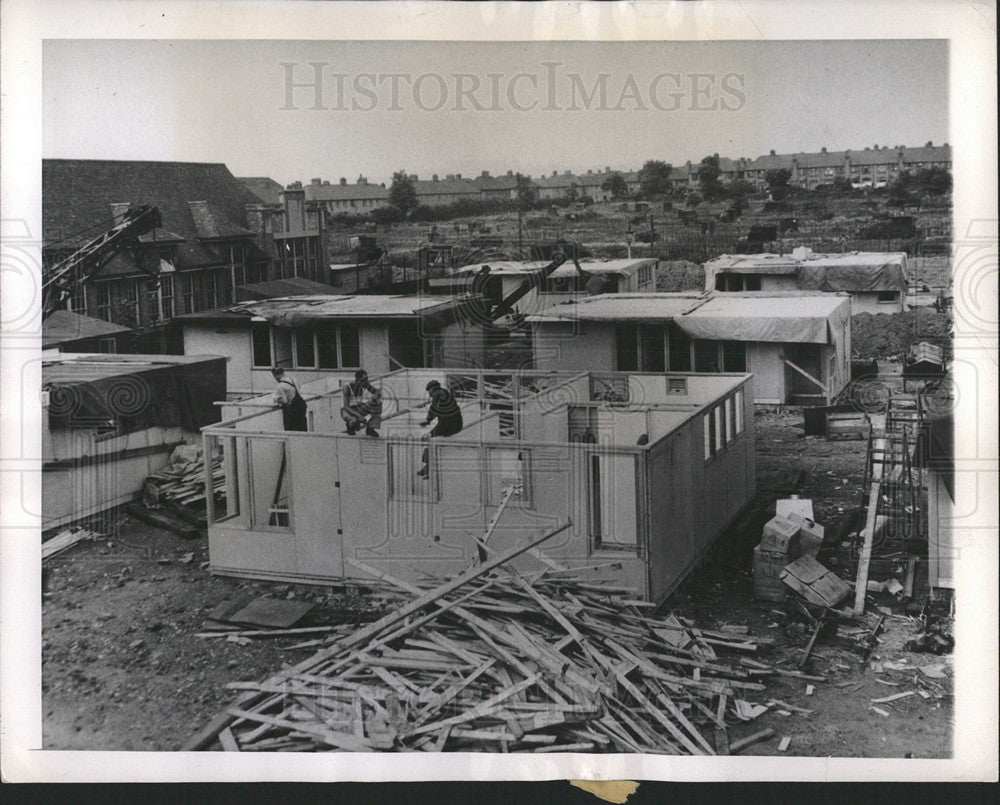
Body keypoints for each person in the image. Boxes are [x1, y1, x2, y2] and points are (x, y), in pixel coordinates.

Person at [417, 379, 463, 478]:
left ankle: (430, 469)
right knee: (431, 442)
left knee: (431, 441)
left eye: (429, 392)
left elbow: (443, 423)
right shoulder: (440, 395)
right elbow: (433, 409)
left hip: (452, 426)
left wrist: (430, 433)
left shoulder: (442, 398)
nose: (429, 394)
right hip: (449, 424)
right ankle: (429, 467)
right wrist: (428, 420)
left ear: (433, 390)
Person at [341, 369, 383, 437]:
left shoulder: (365, 384)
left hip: (359, 407)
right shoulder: (347, 387)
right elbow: (346, 407)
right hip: (347, 411)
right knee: (355, 421)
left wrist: (375, 397)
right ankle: (350, 426)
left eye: (366, 379)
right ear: (357, 379)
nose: (365, 382)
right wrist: (359, 416)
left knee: (377, 404)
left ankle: (370, 429)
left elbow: (377, 392)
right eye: (363, 380)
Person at [271, 366, 308, 432]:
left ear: (276, 375)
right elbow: (298, 390)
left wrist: (277, 400)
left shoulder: (280, 386)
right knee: (302, 428)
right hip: (301, 406)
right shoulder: (293, 379)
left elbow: (285, 400)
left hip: (292, 411)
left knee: (292, 430)